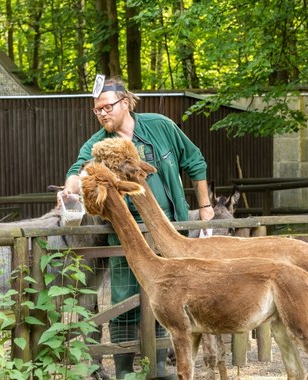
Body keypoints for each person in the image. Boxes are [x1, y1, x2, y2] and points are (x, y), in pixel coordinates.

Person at [60, 76, 214, 379]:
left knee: (168, 297)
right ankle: (124, 370)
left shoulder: (160, 126)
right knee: (124, 298)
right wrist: (69, 190)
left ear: (126, 102)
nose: (102, 113)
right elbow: (76, 171)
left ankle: (156, 367)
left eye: (107, 106)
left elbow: (195, 160)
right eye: (97, 110)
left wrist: (206, 206)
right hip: (127, 233)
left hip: (171, 228)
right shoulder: (97, 145)